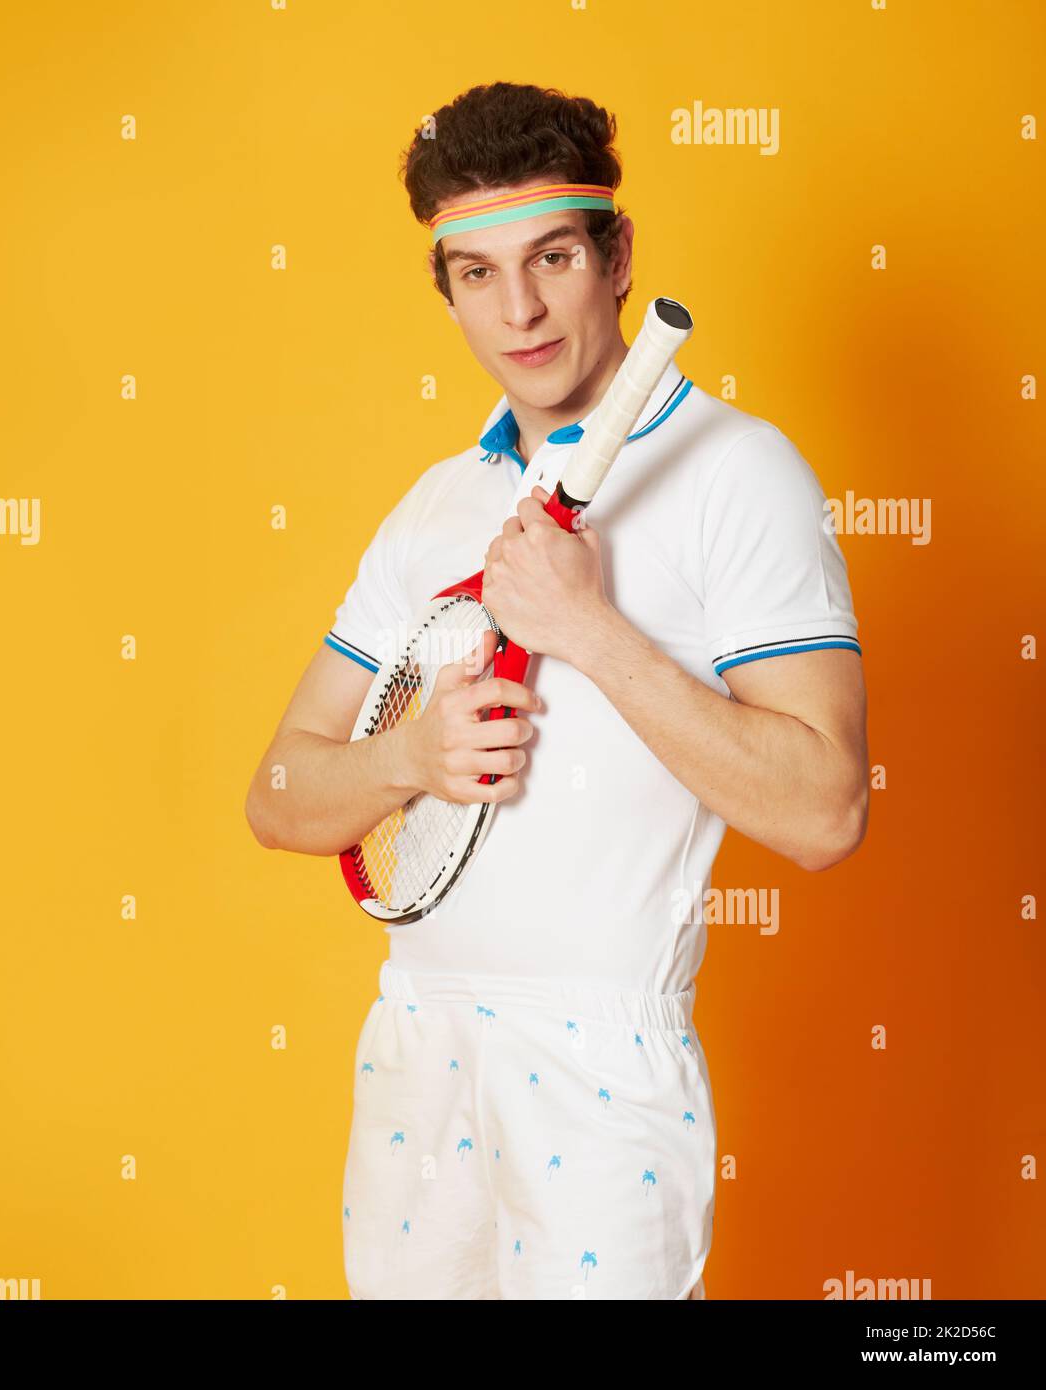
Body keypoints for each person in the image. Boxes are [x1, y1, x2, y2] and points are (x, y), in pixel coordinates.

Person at [245, 81, 868, 1300]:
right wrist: (408, 761)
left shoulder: (739, 475)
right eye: (475, 273)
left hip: (601, 1063)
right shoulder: (433, 508)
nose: (519, 309)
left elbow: (825, 810)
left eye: (551, 256)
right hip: (415, 1049)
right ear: (446, 289)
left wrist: (587, 627)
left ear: (616, 253)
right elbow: (276, 793)